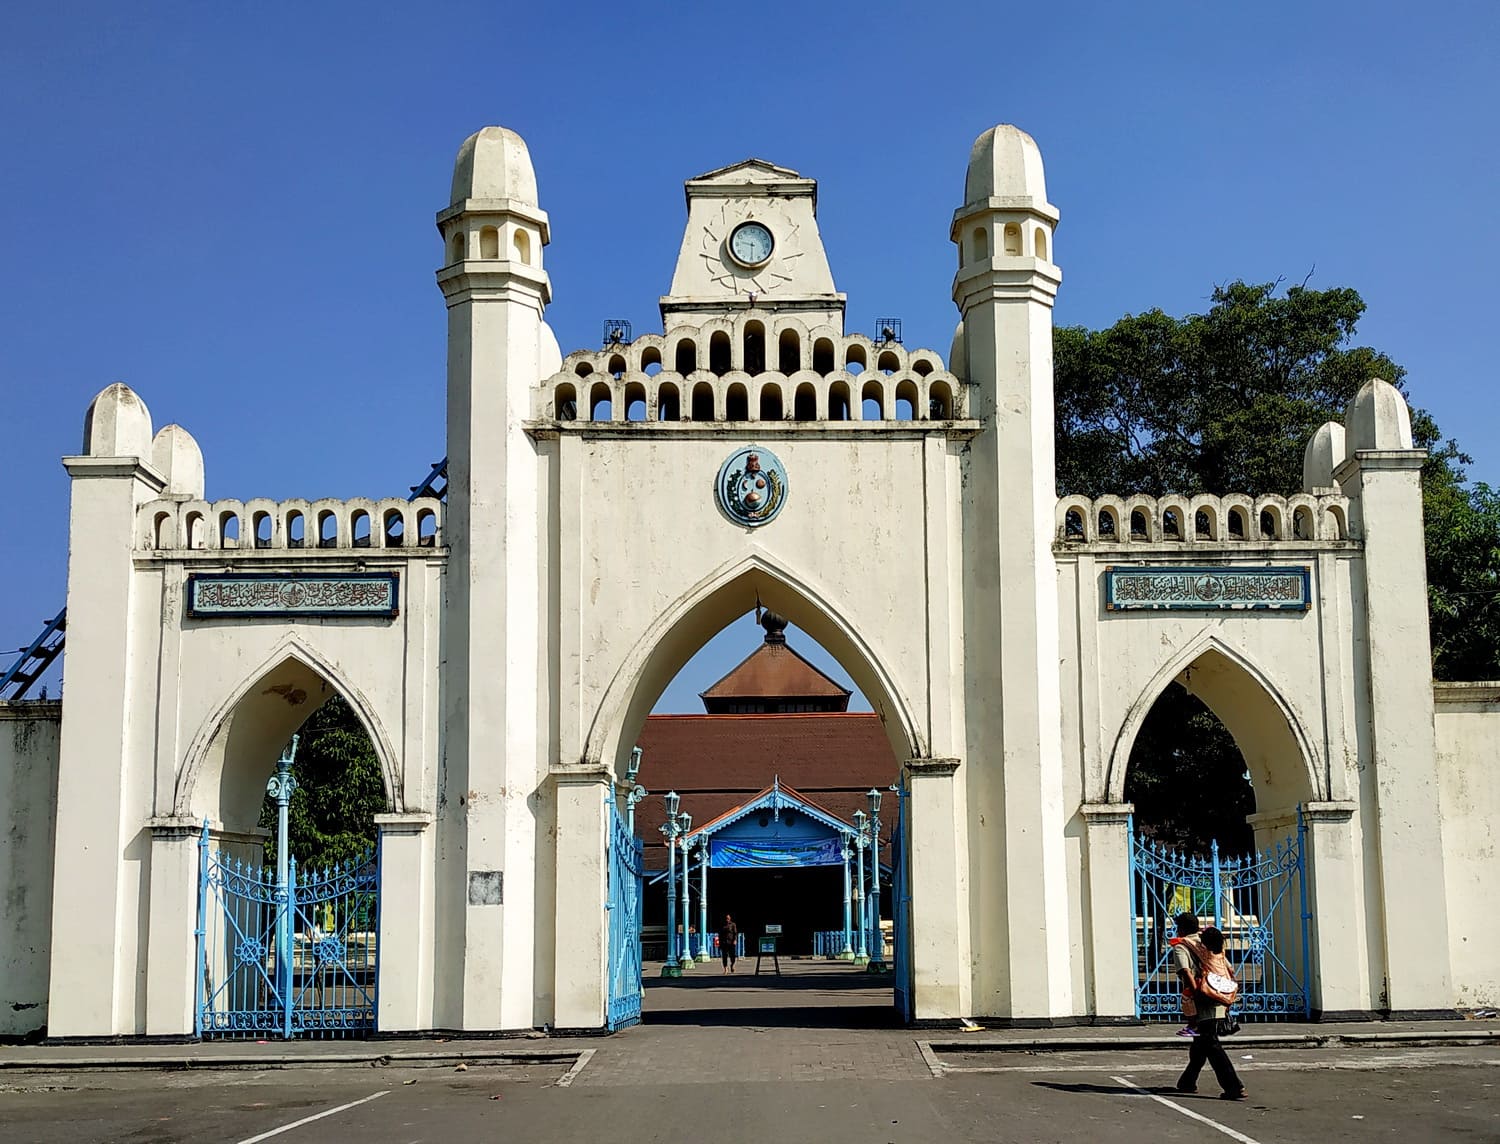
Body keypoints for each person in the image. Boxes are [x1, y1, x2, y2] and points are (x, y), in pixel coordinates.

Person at [1171, 913, 1247, 1101]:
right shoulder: (1210, 942)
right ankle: (1187, 1082)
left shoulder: (1182, 946)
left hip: (1203, 999)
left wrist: (1196, 993)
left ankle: (1234, 1086)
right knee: (1201, 1043)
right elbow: (1227, 967)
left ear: (1180, 928)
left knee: (1211, 1044)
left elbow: (1186, 972)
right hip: (1219, 995)